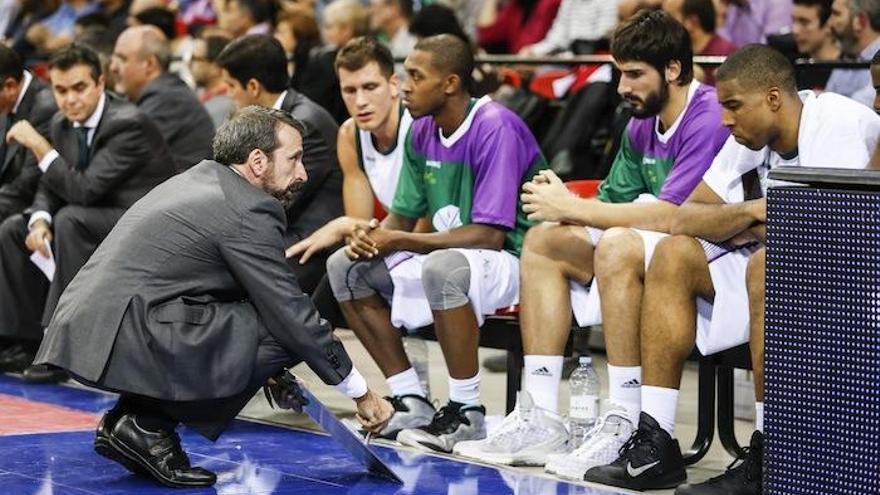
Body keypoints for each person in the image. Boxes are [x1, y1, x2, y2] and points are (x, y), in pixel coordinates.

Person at [32, 106, 394, 488]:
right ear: (257, 161)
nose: (302, 173)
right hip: (129, 329)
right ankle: (149, 427)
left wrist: (261, 366)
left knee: (264, 322)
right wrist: (361, 393)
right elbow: (290, 314)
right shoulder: (249, 208)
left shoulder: (199, 178)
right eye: (294, 158)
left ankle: (130, 422)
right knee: (282, 328)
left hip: (95, 325)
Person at [584, 44, 880, 493]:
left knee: (765, 264)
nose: (725, 120)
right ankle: (656, 440)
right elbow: (685, 217)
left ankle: (769, 453)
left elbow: (833, 230)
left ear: (774, 99)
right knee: (675, 252)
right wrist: (756, 211)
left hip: (842, 275)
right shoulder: (750, 138)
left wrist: (750, 220)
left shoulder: (835, 122)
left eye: (734, 106)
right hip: (776, 269)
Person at [453, 9, 729, 473]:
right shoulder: (640, 122)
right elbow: (609, 201)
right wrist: (566, 217)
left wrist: (573, 208)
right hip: (650, 249)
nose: (622, 87)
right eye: (620, 73)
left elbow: (675, 217)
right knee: (543, 242)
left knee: (618, 241)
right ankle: (540, 415)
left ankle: (624, 418)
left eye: (635, 74)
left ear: (675, 70)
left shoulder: (708, 117)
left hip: (710, 255)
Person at [324, 34, 546, 453]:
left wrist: (400, 239)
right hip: (454, 255)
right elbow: (401, 218)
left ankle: (467, 410)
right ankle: (411, 399)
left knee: (441, 266)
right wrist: (370, 239)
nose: (404, 86)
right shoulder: (422, 131)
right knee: (345, 266)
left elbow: (489, 234)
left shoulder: (495, 126)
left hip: (518, 258)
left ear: (449, 83)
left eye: (415, 76)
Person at [0, 44, 176, 382]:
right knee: (14, 229)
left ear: (99, 83)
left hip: (146, 223)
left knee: (70, 220)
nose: (70, 100)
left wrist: (39, 145)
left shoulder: (129, 123)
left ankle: (64, 347)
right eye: (61, 90)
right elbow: (50, 184)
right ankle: (22, 340)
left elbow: (84, 189)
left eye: (79, 88)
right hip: (96, 213)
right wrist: (39, 220)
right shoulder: (62, 123)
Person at [217, 34, 343, 294]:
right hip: (281, 225)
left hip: (309, 237)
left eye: (231, 85)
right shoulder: (274, 119)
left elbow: (282, 196)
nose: (227, 94)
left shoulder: (302, 124)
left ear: (253, 86)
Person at [110, 25, 215, 171]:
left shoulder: (169, 99)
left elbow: (120, 156)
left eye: (122, 59)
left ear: (150, 64)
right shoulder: (163, 93)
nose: (113, 68)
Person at [0, 44, 57, 222]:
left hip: (34, 210)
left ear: (9, 86)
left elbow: (27, 185)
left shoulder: (46, 107)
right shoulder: (7, 101)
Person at [663, 0, 737, 85]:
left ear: (692, 22)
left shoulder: (727, 54)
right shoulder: (672, 54)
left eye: (669, 16)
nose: (663, 24)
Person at [826, 0, 880, 107]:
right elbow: (826, 98)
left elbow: (865, 106)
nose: (829, 23)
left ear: (860, 21)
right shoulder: (846, 59)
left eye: (836, 14)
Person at [791, 0, 840, 90]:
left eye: (804, 23)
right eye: (793, 21)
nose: (795, 30)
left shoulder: (848, 68)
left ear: (828, 25)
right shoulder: (793, 66)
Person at [189, 33, 235, 127]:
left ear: (216, 67)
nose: (189, 64)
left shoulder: (229, 105)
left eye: (195, 59)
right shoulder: (199, 92)